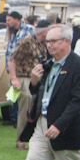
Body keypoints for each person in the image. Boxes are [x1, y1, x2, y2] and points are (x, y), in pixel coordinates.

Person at [12, 25, 80, 160]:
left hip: (65, 127)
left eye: (53, 41)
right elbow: (40, 94)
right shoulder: (46, 65)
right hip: (42, 125)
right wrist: (35, 81)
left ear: (66, 41)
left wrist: (59, 125)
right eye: (47, 41)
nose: (49, 45)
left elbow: (78, 101)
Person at [8, 20, 50, 149]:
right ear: (44, 31)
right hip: (24, 77)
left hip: (38, 79)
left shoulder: (43, 44)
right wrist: (14, 78)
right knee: (25, 104)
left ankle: (36, 137)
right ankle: (21, 139)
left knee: (36, 106)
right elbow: (12, 59)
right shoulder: (26, 41)